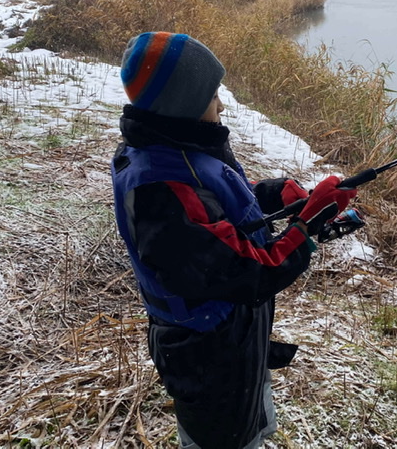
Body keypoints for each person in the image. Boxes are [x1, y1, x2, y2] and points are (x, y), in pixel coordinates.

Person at [110, 31, 357, 449]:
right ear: (183, 105)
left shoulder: (179, 147)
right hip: (207, 353)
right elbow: (249, 272)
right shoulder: (158, 188)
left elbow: (219, 203)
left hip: (233, 338)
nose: (221, 105)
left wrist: (276, 193)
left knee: (249, 427)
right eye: (212, 98)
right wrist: (307, 226)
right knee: (223, 439)